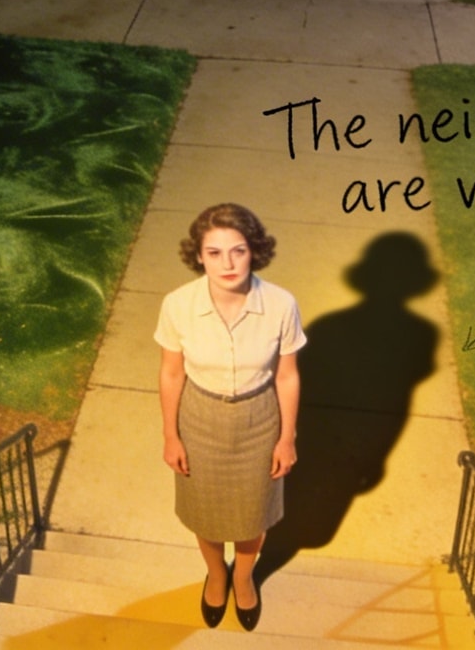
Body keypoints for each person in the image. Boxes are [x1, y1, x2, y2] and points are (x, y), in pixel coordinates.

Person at [155, 202, 305, 632]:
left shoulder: (280, 304)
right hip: (199, 418)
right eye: (215, 252)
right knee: (205, 512)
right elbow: (170, 372)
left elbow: (288, 377)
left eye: (238, 250)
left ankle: (243, 576)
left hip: (260, 419)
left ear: (254, 250)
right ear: (198, 255)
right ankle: (216, 574)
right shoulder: (178, 305)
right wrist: (171, 435)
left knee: (252, 513)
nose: (228, 263)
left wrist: (287, 438)